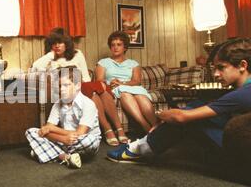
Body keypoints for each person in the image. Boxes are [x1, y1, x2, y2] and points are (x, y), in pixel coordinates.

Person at [106, 38, 251, 163]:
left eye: (221, 68)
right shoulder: (243, 89)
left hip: (241, 158)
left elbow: (181, 117)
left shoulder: (242, 94)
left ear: (242, 66)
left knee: (185, 119)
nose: (215, 74)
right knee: (198, 104)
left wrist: (160, 115)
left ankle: (140, 149)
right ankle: (146, 144)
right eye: (214, 68)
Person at [33, 27, 123, 146]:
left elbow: (85, 76)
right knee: (94, 93)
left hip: (81, 86)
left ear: (67, 43)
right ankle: (108, 130)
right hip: (66, 90)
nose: (57, 46)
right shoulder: (50, 60)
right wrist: (51, 54)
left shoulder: (77, 54)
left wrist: (88, 87)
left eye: (60, 42)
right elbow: (35, 67)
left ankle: (119, 129)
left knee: (99, 92)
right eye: (53, 43)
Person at [25, 66, 101, 169]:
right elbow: (46, 129)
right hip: (65, 141)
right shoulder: (58, 104)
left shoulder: (88, 104)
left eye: (66, 85)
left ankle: (47, 152)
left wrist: (53, 130)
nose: (61, 89)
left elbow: (80, 133)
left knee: (89, 140)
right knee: (31, 131)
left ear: (78, 85)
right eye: (60, 85)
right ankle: (64, 157)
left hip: (82, 142)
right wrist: (63, 139)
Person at [96, 31, 158, 134]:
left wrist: (122, 83)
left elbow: (136, 81)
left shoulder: (133, 63)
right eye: (113, 45)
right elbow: (99, 81)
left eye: (119, 45)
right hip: (115, 88)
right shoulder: (103, 62)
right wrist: (110, 83)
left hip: (132, 87)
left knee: (141, 97)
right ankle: (146, 126)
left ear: (125, 47)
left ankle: (156, 125)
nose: (115, 47)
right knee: (125, 94)